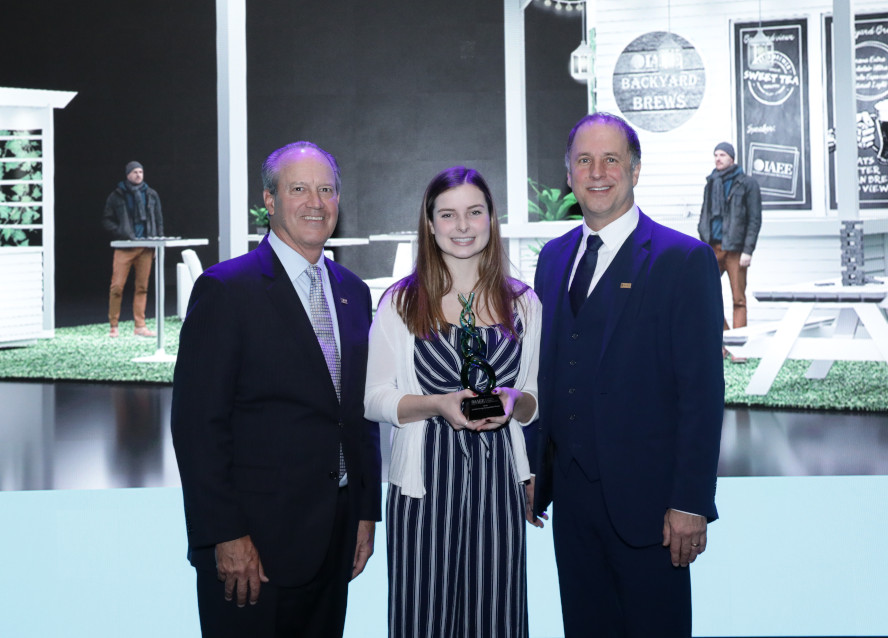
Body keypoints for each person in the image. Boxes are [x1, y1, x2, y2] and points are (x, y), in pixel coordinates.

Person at [171, 141, 381, 638]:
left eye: (326, 189)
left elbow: (355, 414)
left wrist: (365, 512)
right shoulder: (226, 290)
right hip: (253, 549)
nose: (315, 201)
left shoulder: (353, 292)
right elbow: (197, 426)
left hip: (334, 537)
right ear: (269, 200)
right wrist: (226, 534)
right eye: (299, 188)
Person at [532, 113, 724, 638]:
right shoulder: (551, 260)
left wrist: (690, 502)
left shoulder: (683, 260)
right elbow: (545, 376)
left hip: (653, 510)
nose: (598, 172)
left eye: (611, 159)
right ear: (568, 174)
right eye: (584, 161)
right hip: (570, 505)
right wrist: (533, 472)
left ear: (635, 170)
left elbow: (702, 394)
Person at [364, 166, 543, 638]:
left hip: (498, 486)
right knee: (423, 618)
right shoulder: (400, 302)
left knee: (497, 618)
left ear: (491, 219)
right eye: (448, 214)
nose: (462, 226)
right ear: (430, 224)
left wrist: (513, 401)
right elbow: (374, 399)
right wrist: (436, 404)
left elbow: (533, 401)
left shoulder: (524, 303)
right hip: (424, 489)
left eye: (474, 212)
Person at [698, 141, 762, 344]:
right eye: (716, 155)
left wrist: (748, 250)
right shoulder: (711, 182)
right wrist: (703, 237)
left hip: (735, 249)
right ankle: (724, 341)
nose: (718, 158)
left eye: (722, 155)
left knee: (738, 299)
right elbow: (705, 213)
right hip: (712, 248)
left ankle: (740, 347)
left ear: (732, 158)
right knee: (703, 295)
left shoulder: (747, 183)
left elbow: (754, 219)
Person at [101, 161, 163, 338]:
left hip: (146, 247)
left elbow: (158, 221)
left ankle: (140, 325)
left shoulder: (151, 195)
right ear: (127, 174)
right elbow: (107, 219)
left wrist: (158, 243)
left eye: (141, 172)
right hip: (125, 247)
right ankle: (114, 325)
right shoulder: (117, 195)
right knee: (117, 286)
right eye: (135, 172)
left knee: (142, 287)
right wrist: (120, 232)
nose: (138, 175)